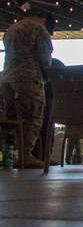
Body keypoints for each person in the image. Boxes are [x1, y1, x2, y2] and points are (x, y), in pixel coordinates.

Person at [0, 12, 54, 168]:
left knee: (9, 119)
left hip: (6, 79)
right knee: (31, 117)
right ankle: (24, 155)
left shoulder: (11, 29)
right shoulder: (39, 29)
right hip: (29, 79)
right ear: (45, 21)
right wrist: (47, 77)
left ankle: (8, 155)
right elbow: (45, 58)